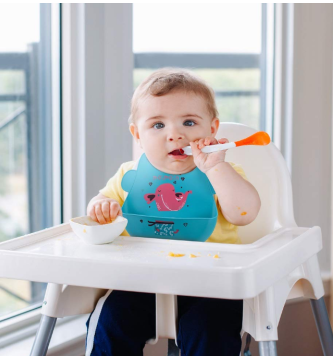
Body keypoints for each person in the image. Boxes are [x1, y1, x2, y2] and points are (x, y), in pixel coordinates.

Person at [85, 68, 261, 356]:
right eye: (157, 125)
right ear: (137, 134)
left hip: (212, 285)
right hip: (141, 282)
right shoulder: (128, 175)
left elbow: (245, 213)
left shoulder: (220, 174)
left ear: (212, 130)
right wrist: (100, 206)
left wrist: (216, 167)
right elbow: (100, 206)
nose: (175, 135)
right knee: (111, 319)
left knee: (209, 328)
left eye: (189, 122)